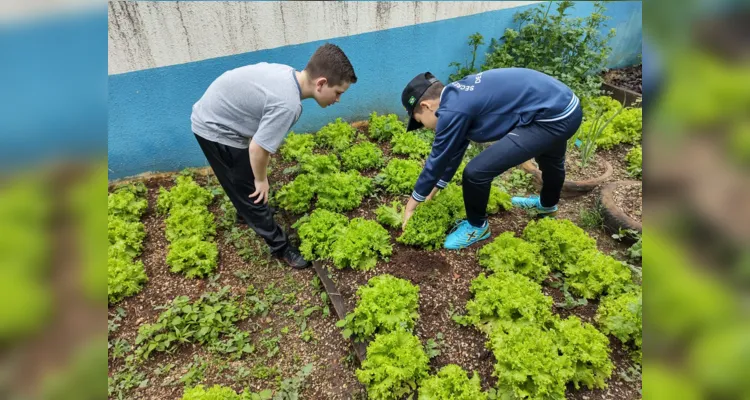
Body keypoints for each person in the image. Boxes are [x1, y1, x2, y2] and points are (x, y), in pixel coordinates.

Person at [191, 43, 357, 269]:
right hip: (215, 128)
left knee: (244, 179)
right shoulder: (288, 104)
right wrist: (261, 180)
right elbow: (257, 149)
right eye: (338, 93)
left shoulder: (288, 75)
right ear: (321, 84)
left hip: (218, 113)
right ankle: (281, 247)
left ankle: (246, 211)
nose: (338, 100)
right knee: (252, 192)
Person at [399, 68, 582, 250]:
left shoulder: (452, 110)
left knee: (476, 173)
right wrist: (432, 191)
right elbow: (453, 152)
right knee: (550, 160)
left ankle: (476, 227)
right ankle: (547, 205)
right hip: (564, 105)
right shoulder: (457, 93)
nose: (425, 127)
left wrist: (411, 206)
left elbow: (437, 160)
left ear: (426, 106)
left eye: (420, 121)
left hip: (551, 118)